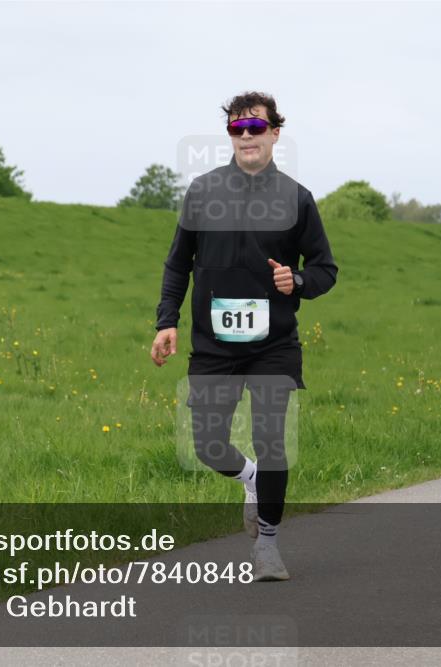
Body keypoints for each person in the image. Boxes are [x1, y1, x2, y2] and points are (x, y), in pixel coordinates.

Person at [150, 91, 338, 581]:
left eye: (256, 128)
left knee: (271, 440)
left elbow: (325, 269)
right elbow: (177, 264)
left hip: (274, 342)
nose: (247, 136)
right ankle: (249, 478)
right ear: (230, 136)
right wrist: (166, 321)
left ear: (275, 132)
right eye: (238, 129)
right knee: (208, 445)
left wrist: (296, 281)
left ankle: (269, 546)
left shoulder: (297, 198)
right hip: (213, 343)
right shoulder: (202, 192)